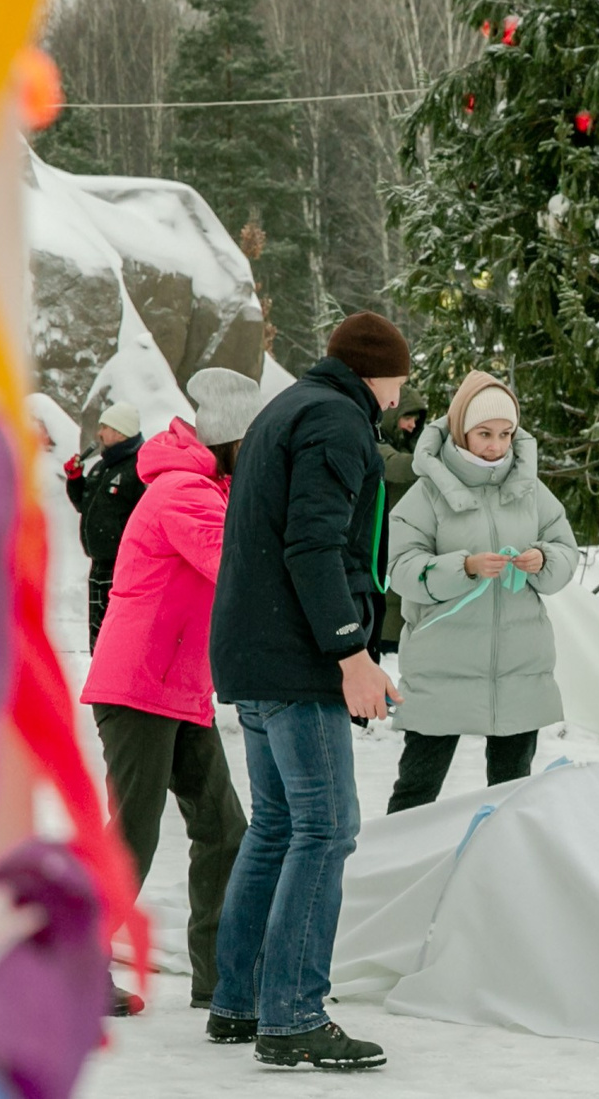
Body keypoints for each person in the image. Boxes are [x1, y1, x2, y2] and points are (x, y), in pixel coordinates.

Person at [205, 313, 408, 1071]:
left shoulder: (283, 410)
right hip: (297, 658)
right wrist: (351, 649)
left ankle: (241, 999)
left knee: (279, 825)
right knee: (325, 826)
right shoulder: (337, 421)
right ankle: (291, 1012)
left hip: (255, 652)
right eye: (397, 381)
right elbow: (314, 543)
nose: (396, 397)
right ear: (375, 372)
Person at [82, 368, 258, 1017]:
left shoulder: (209, 488)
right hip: (137, 686)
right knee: (134, 829)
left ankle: (218, 977)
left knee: (223, 828)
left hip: (179, 689)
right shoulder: (185, 492)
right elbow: (238, 567)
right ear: (231, 437)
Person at [384, 370, 581, 811]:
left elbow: (567, 552)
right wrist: (464, 567)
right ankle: (392, 874)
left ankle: (501, 876)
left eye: (506, 434)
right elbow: (399, 569)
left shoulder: (531, 491)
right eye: (484, 433)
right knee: (416, 795)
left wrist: (544, 560)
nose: (496, 445)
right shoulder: (427, 494)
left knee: (512, 798)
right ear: (460, 431)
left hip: (518, 671)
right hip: (441, 671)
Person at [67, 400, 147, 647]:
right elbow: (84, 504)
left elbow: (147, 515)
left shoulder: (139, 467)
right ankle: (98, 679)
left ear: (120, 431)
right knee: (100, 636)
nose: (99, 433)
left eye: (105, 427)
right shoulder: (102, 467)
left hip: (123, 566)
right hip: (99, 564)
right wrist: (75, 480)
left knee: (118, 636)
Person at [373, 399, 428, 656]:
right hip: (377, 534)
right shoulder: (374, 441)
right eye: (408, 418)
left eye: (416, 420)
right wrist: (433, 462)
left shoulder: (409, 446)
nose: (411, 425)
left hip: (401, 533)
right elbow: (394, 465)